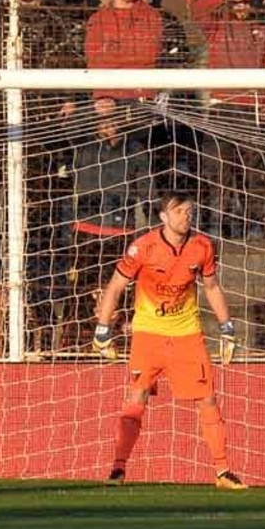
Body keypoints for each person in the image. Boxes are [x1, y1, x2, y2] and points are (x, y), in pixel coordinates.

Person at [91, 190, 247, 490]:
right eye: (178, 211)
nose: (186, 215)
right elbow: (114, 287)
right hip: (148, 334)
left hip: (187, 333)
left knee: (208, 398)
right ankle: (118, 469)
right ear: (163, 217)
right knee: (136, 398)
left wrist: (227, 328)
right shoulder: (143, 247)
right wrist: (102, 331)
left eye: (189, 210)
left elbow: (212, 287)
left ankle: (223, 471)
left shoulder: (202, 246)